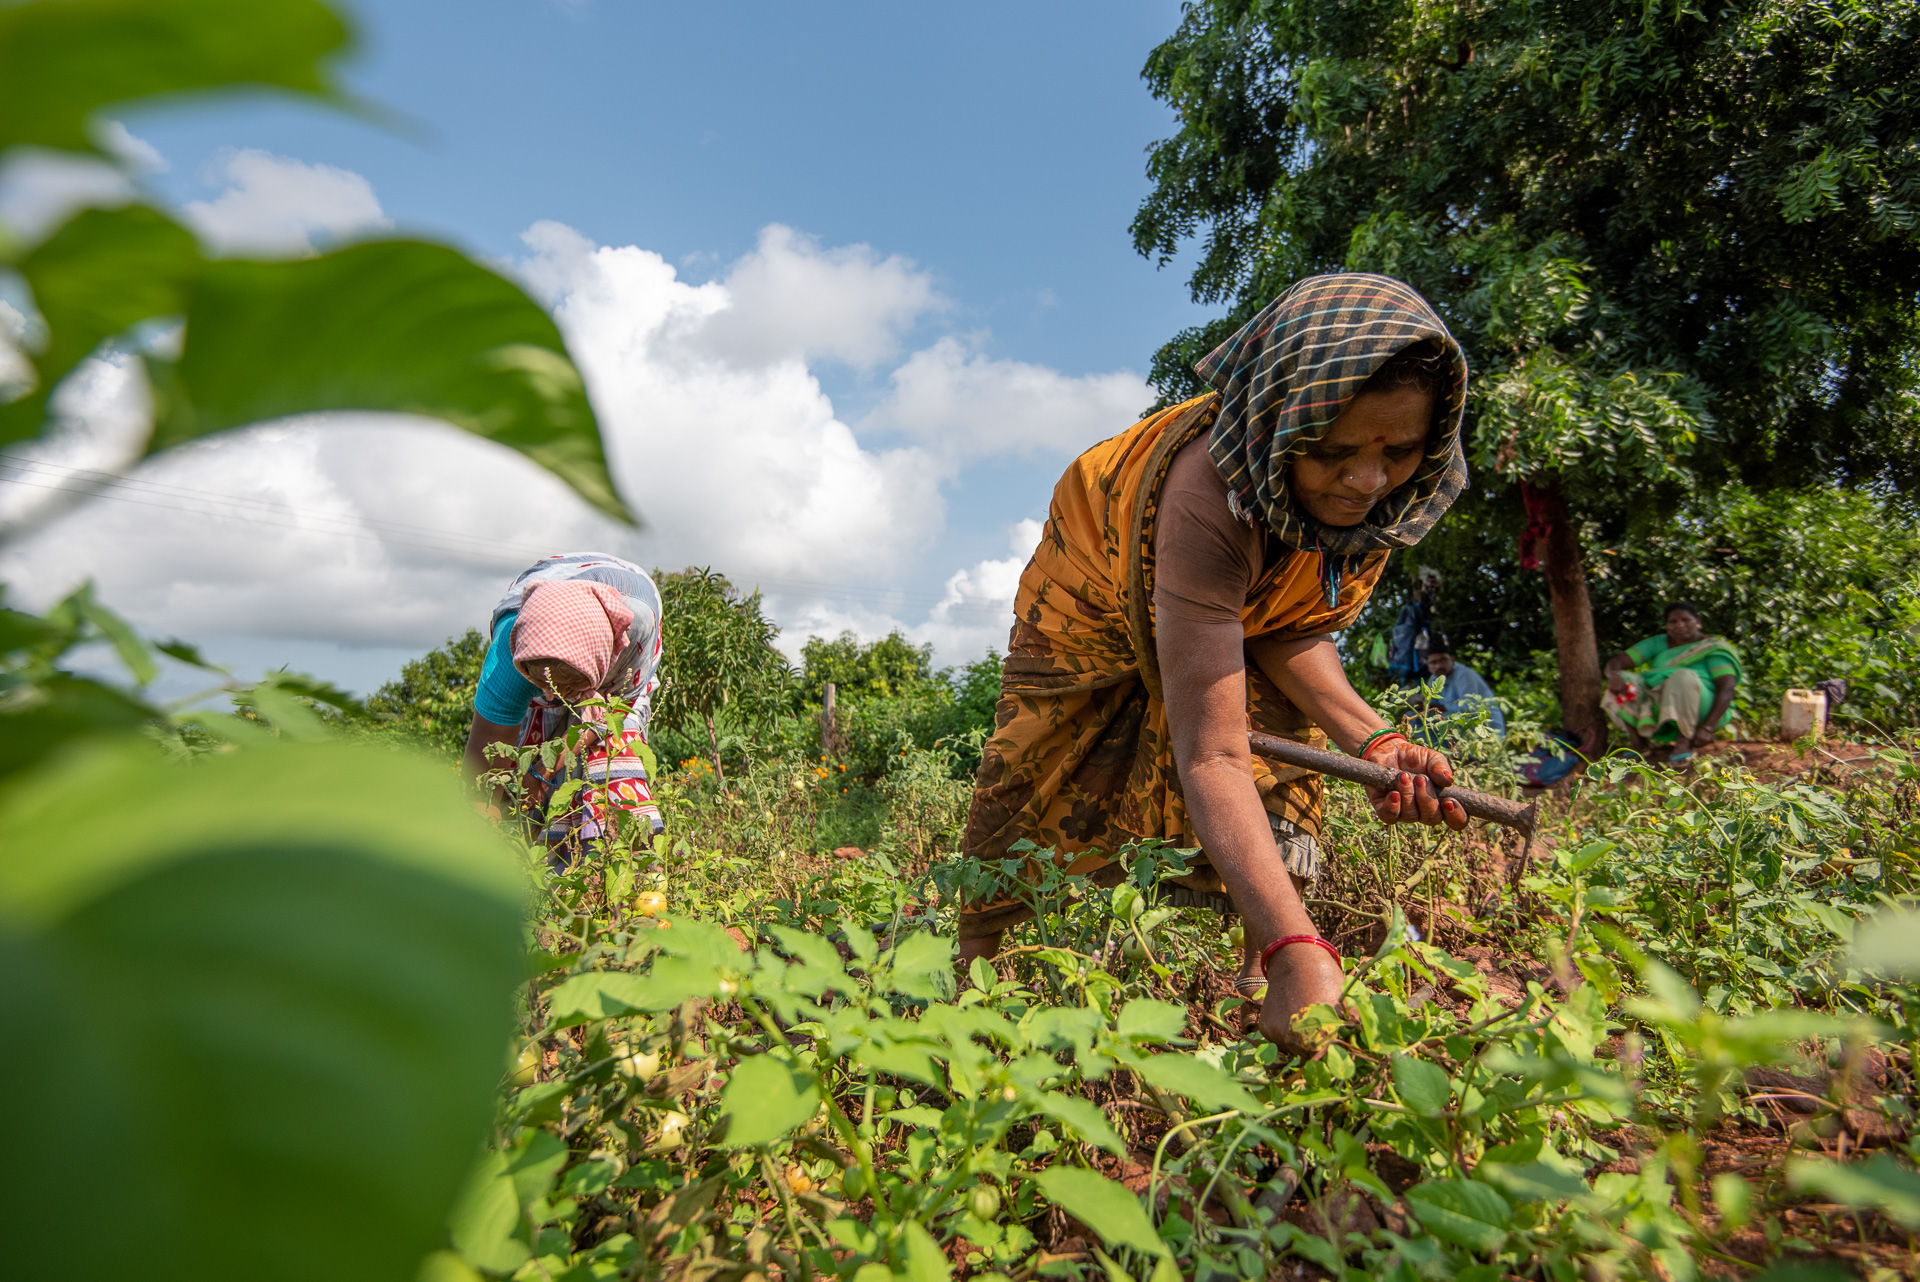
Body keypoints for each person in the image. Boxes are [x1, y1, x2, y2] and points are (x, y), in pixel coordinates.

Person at [959, 272, 1471, 1052]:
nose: (1368, 482)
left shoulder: (1372, 508)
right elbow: (1217, 751)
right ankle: (971, 996)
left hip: (1214, 612)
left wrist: (1375, 741)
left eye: (1398, 451)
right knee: (1034, 785)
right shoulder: (1209, 499)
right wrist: (1300, 943)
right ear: (1279, 424)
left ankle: (1258, 991)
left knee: (1280, 743)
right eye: (1335, 452)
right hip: (1093, 601)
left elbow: (1284, 623)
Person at [462, 552, 666, 849]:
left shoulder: (634, 641)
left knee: (616, 761)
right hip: (551, 617)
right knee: (517, 782)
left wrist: (543, 772)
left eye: (569, 684)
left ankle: (614, 869)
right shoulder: (509, 659)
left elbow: (609, 718)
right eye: (543, 683)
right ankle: (536, 862)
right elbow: (481, 781)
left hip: (620, 640)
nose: (553, 695)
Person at [1602, 601, 1741, 761]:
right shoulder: (1658, 642)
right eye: (1673, 622)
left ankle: (1684, 742)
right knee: (1623, 680)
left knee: (1682, 676)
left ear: (1698, 622)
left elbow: (1727, 688)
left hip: (1704, 708)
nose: (1679, 625)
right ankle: (1639, 744)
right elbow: (1618, 662)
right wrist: (1613, 675)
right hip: (1661, 703)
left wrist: (1708, 728)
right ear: (1666, 626)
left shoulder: (1712, 647)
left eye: (1685, 620)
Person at [1423, 643, 1505, 736]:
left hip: (1485, 727)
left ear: (1452, 660)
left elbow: (1469, 708)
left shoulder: (1464, 675)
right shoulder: (1434, 679)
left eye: (1443, 660)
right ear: (1428, 666)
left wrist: (1439, 708)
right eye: (1433, 662)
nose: (1438, 666)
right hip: (1461, 731)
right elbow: (1430, 706)